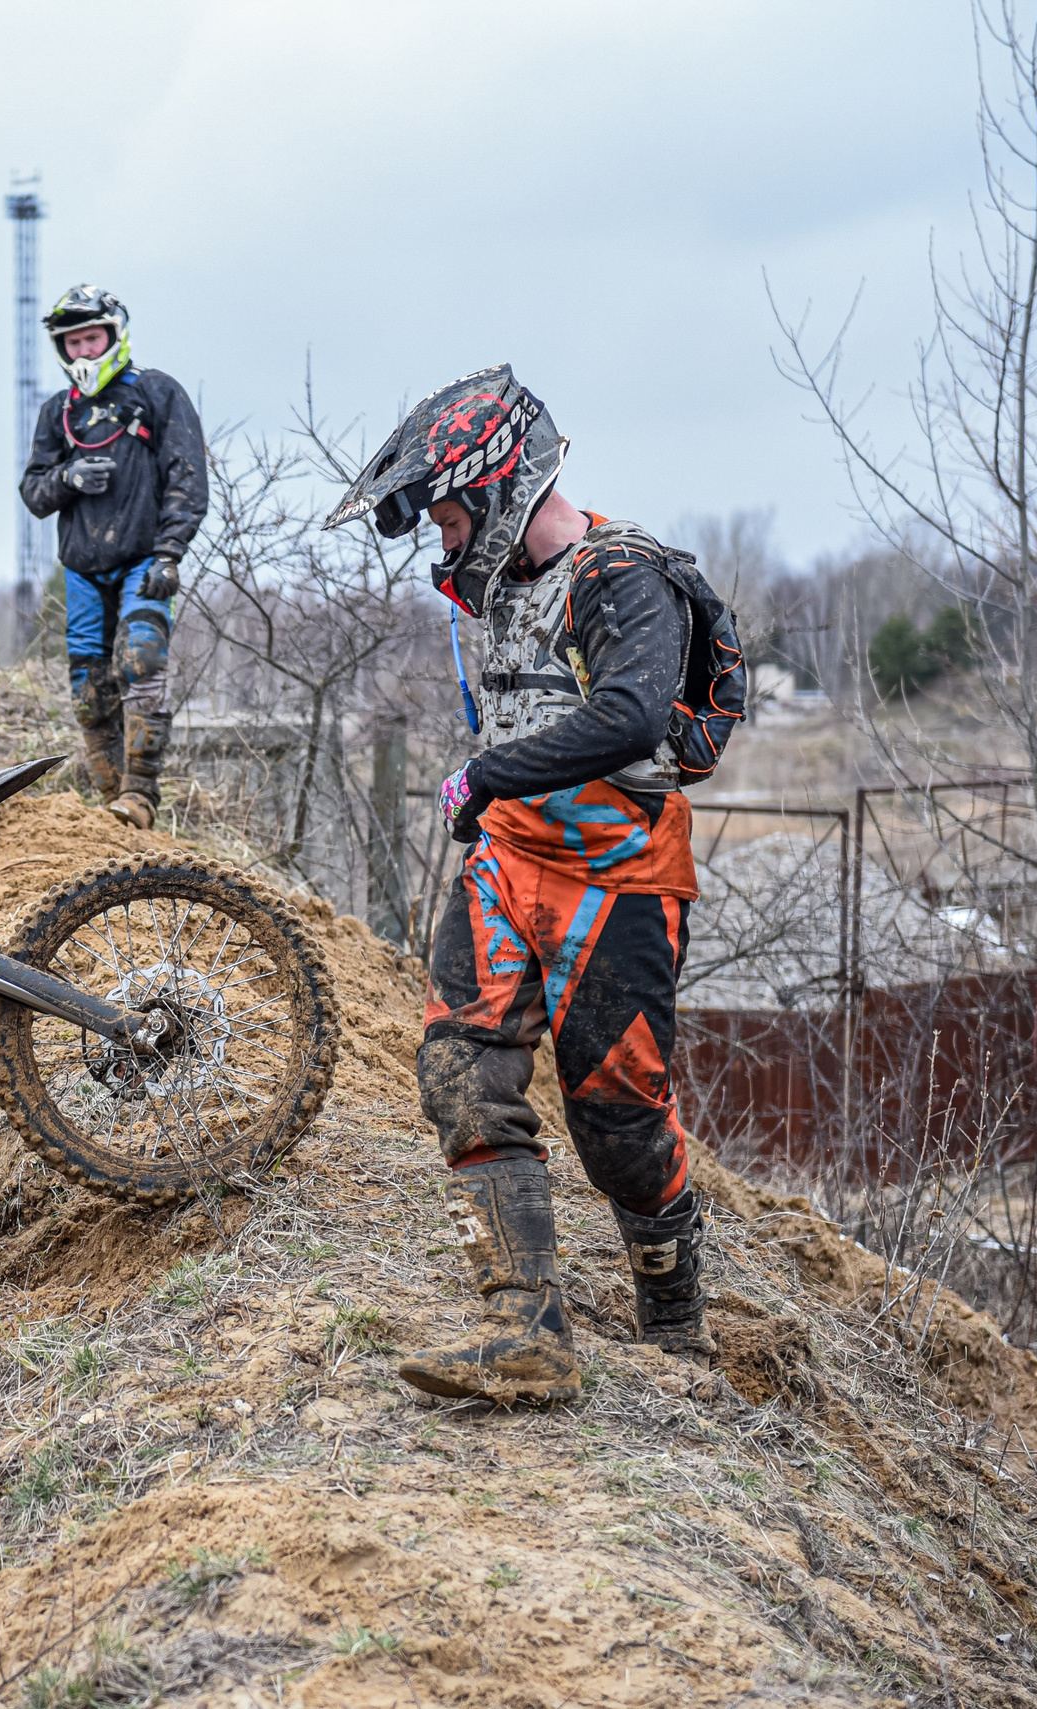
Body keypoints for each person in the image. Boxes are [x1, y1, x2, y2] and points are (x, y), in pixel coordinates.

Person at [324, 365, 715, 1407]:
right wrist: (483, 792)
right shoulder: (491, 590)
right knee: (458, 1072)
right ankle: (524, 1327)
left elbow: (633, 715)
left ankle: (674, 1312)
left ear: (496, 483)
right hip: (509, 860)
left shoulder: (622, 574)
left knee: (618, 1124)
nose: (440, 537)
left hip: (617, 874)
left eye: (446, 512)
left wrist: (488, 771)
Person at [17, 285, 207, 830]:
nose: (82, 351)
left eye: (91, 339)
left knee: (141, 661)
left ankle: (141, 795)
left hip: (145, 557)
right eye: (72, 342)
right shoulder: (57, 412)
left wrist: (170, 552)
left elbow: (187, 478)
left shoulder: (155, 393)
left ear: (113, 336)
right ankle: (111, 806)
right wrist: (68, 478)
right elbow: (33, 493)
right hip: (81, 567)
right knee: (87, 691)